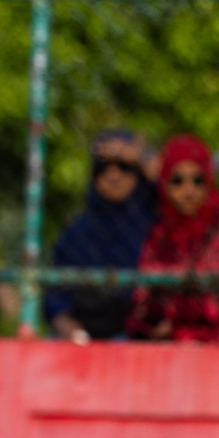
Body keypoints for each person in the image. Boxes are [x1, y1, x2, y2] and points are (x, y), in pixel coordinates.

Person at [128, 134, 219, 343]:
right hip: (166, 335)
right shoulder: (161, 228)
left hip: (215, 335)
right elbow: (145, 290)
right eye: (177, 181)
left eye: (198, 180)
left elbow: (215, 289)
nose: (188, 190)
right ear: (165, 183)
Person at [45, 130, 157, 343]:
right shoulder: (77, 233)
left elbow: (180, 183)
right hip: (84, 335)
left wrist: (141, 155)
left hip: (140, 334)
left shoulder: (157, 222)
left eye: (124, 167)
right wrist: (71, 330)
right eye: (103, 168)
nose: (113, 176)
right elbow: (56, 301)